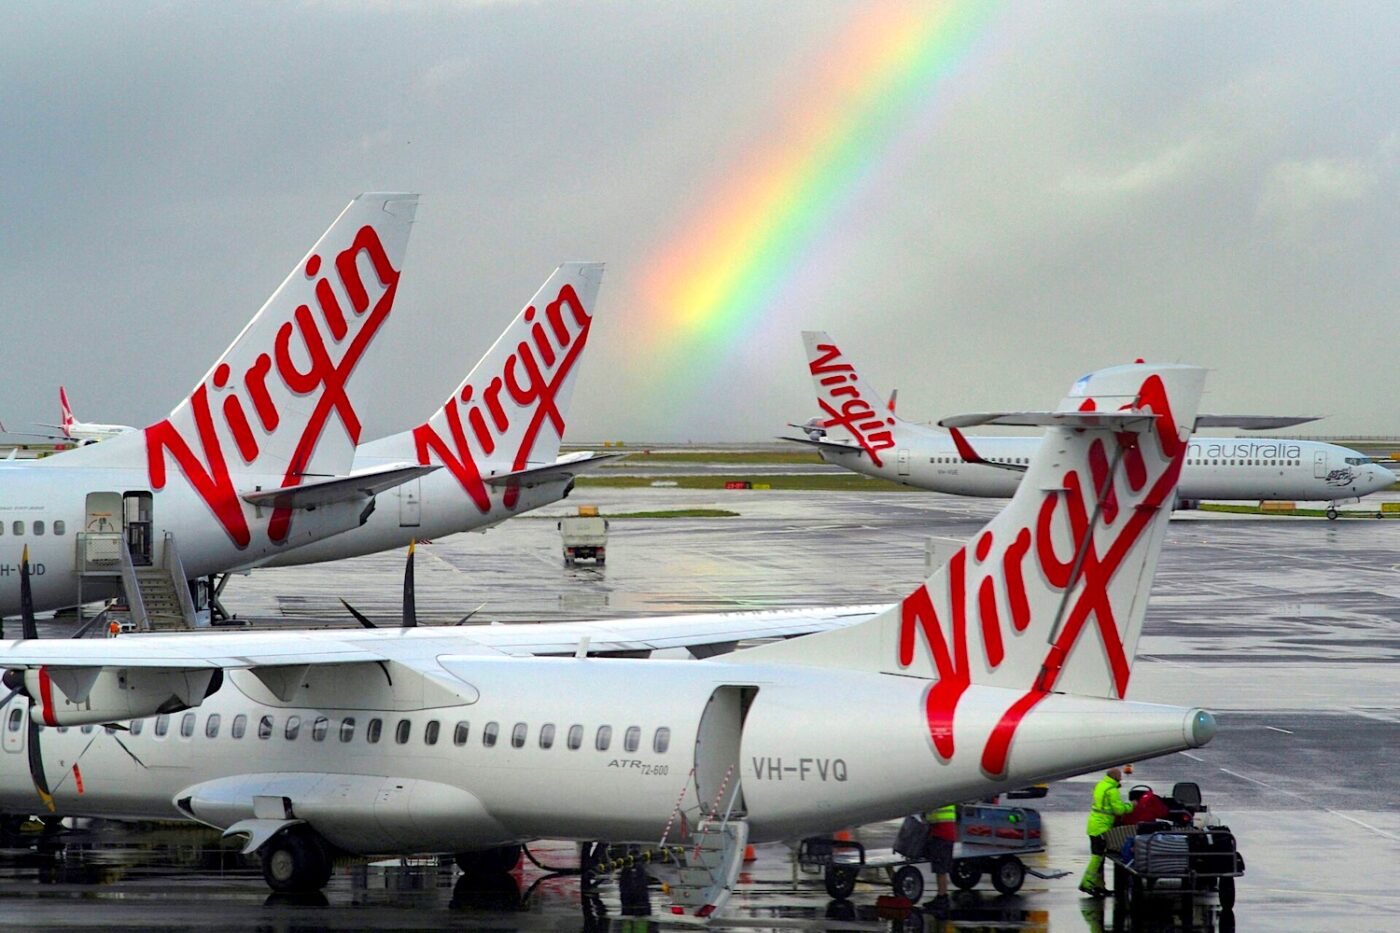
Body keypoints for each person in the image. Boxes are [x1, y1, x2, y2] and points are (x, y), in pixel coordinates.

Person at [1079, 767, 1132, 897]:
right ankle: (1086, 883)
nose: (1121, 778)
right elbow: (1119, 810)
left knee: (1100, 857)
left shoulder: (1101, 785)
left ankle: (1099, 886)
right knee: (1097, 857)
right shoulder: (1112, 790)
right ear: (1115, 777)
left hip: (1093, 825)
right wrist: (1132, 806)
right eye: (1120, 776)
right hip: (1101, 827)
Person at [924, 803, 957, 905]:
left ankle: (942, 897)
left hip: (941, 835)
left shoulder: (938, 801)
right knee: (941, 869)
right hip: (946, 835)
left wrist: (925, 813)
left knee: (940, 870)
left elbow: (931, 818)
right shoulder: (947, 801)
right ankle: (941, 896)